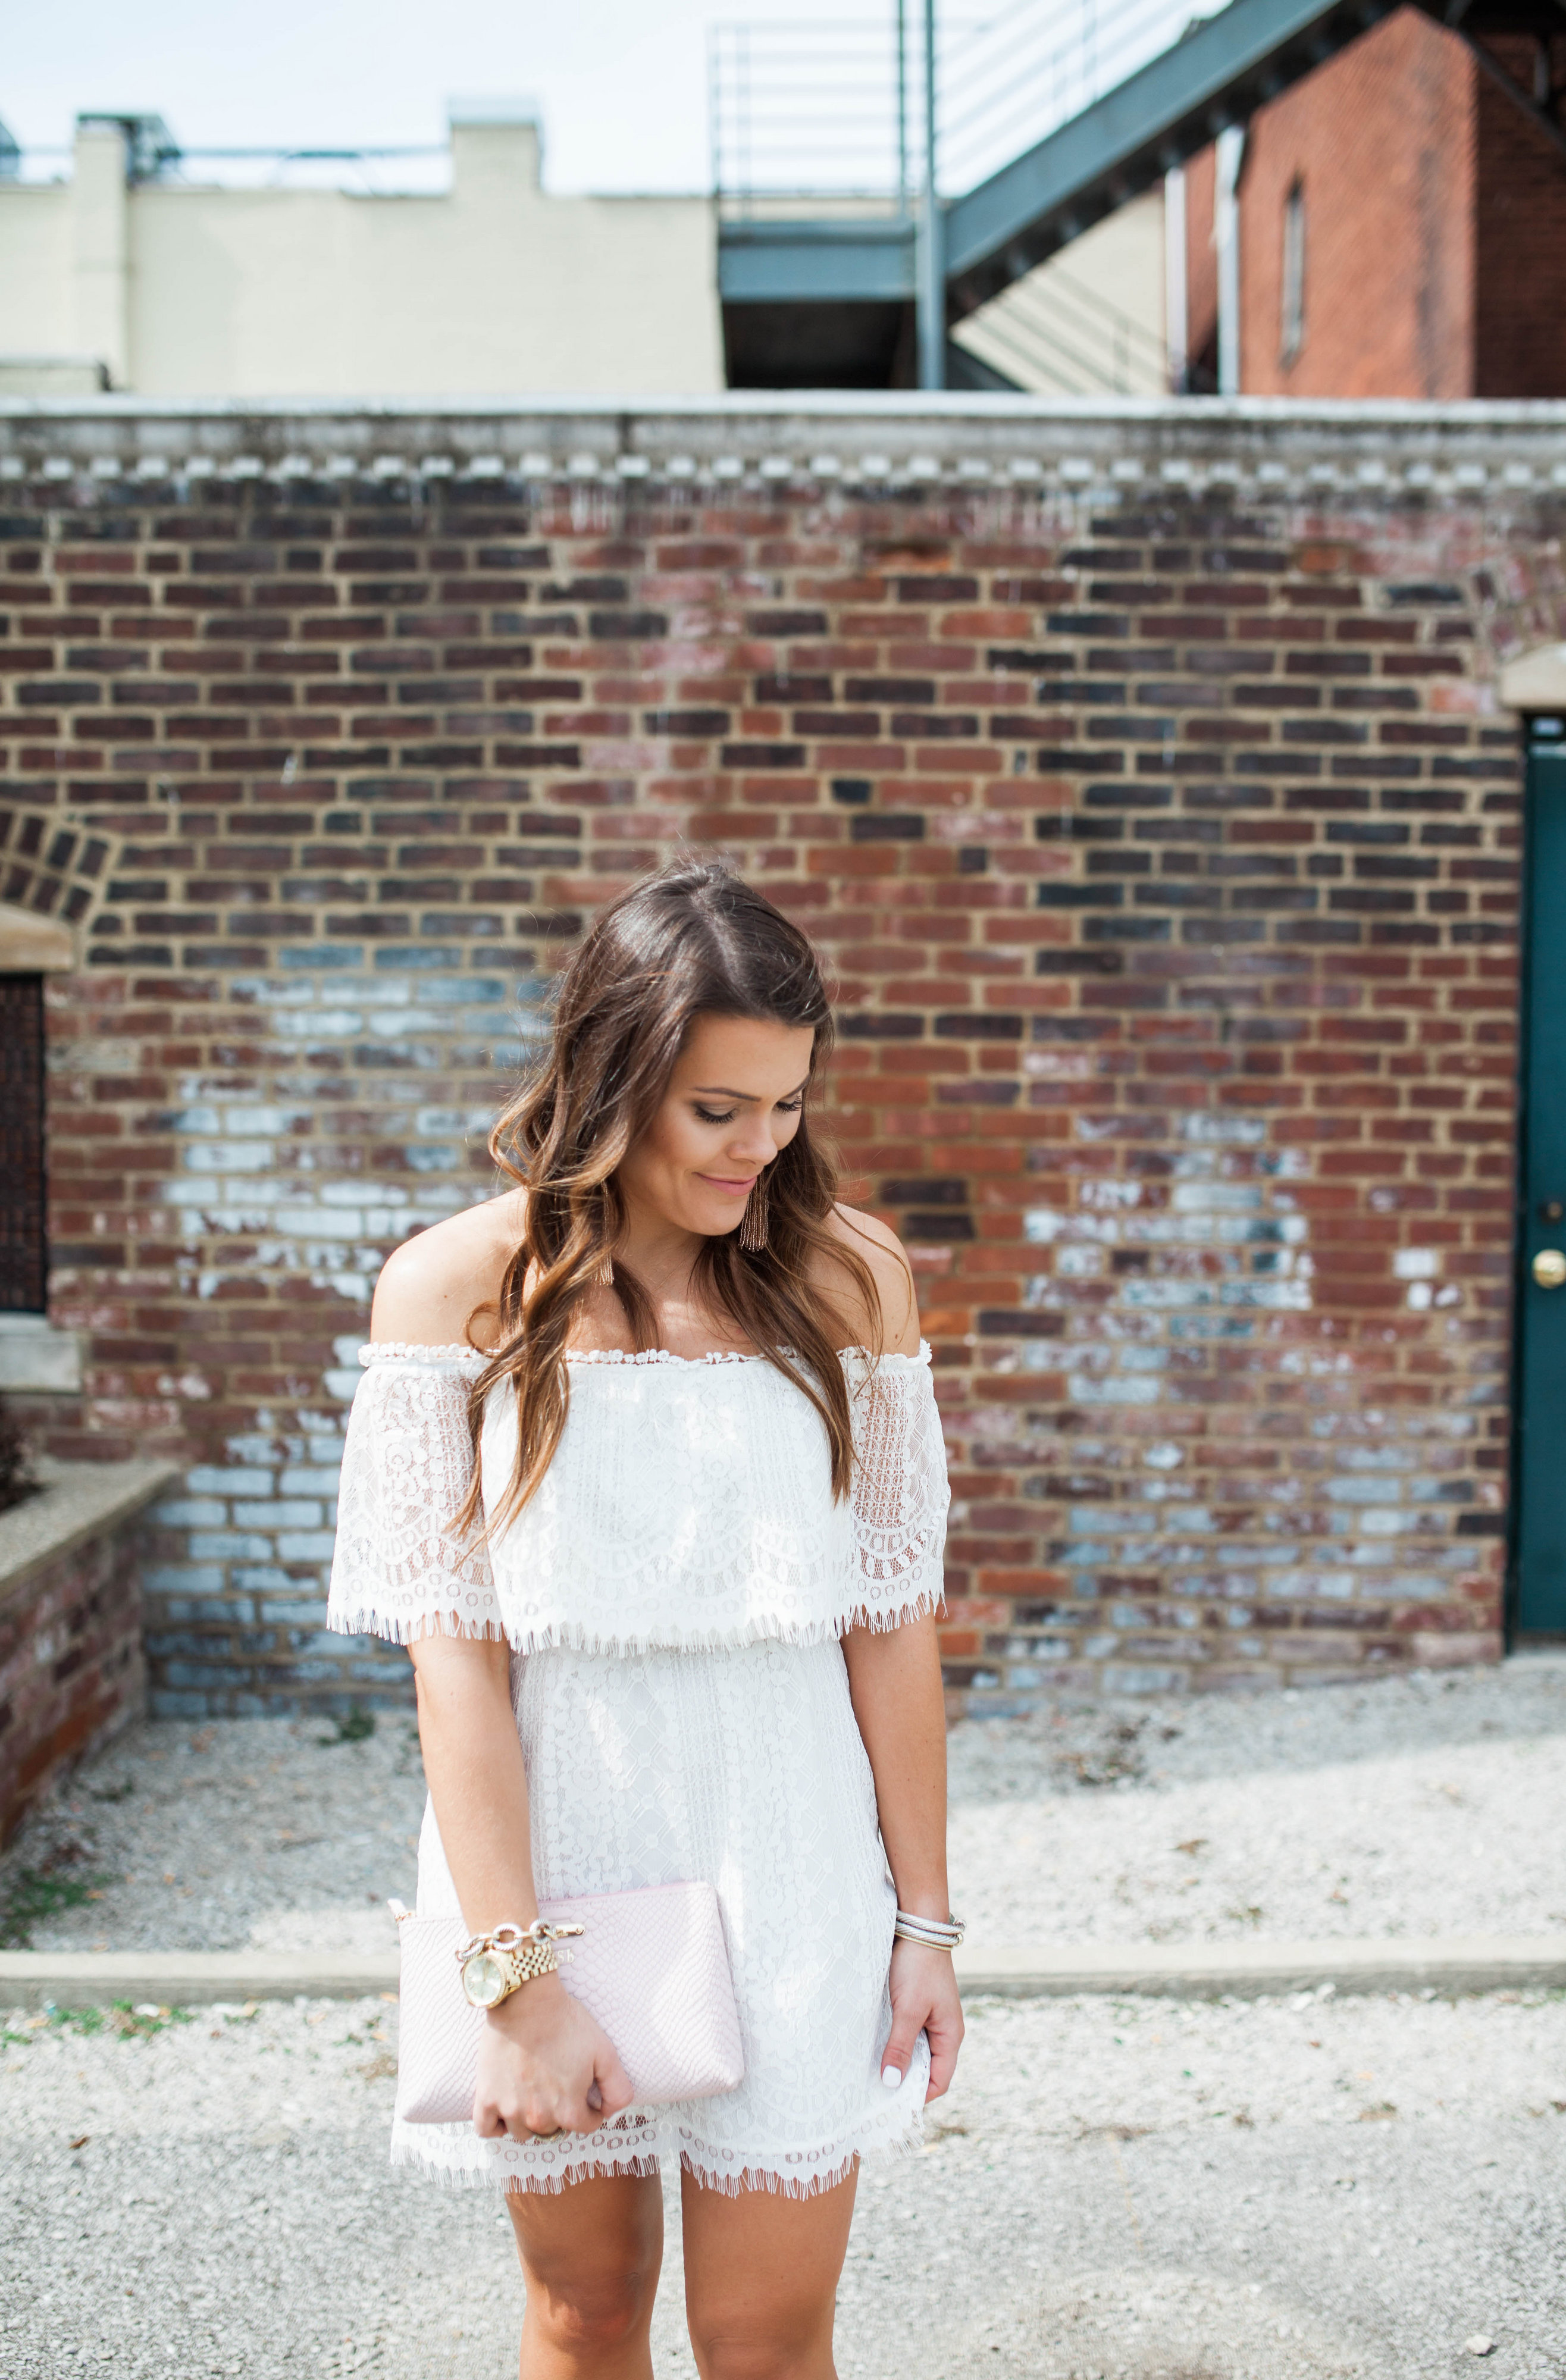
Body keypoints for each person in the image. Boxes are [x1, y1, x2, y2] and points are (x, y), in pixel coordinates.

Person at [327, 859, 962, 2380]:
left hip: (795, 1847)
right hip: (558, 1847)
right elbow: (456, 1660)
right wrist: (514, 1973)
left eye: (787, 1104)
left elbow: (889, 1620)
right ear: (613, 1078)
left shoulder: (848, 1274)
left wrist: (925, 1919)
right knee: (586, 2310)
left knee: (761, 2337)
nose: (760, 1148)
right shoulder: (454, 1291)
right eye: (715, 1109)